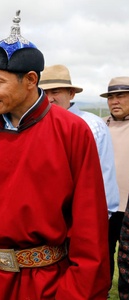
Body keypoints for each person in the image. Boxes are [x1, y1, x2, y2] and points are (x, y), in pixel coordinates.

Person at [0, 11, 110, 299]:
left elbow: (89, 222)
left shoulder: (72, 131)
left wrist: (78, 289)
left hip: (41, 283)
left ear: (30, 80)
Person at [39, 64, 119, 218]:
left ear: (71, 93)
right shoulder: (35, 124)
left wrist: (100, 218)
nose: (49, 98)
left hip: (80, 217)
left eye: (55, 92)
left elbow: (104, 176)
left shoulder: (93, 126)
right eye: (43, 93)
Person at [100, 77, 129, 297]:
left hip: (128, 207)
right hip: (104, 207)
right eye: (111, 97)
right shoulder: (100, 126)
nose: (114, 101)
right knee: (102, 258)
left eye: (120, 95)